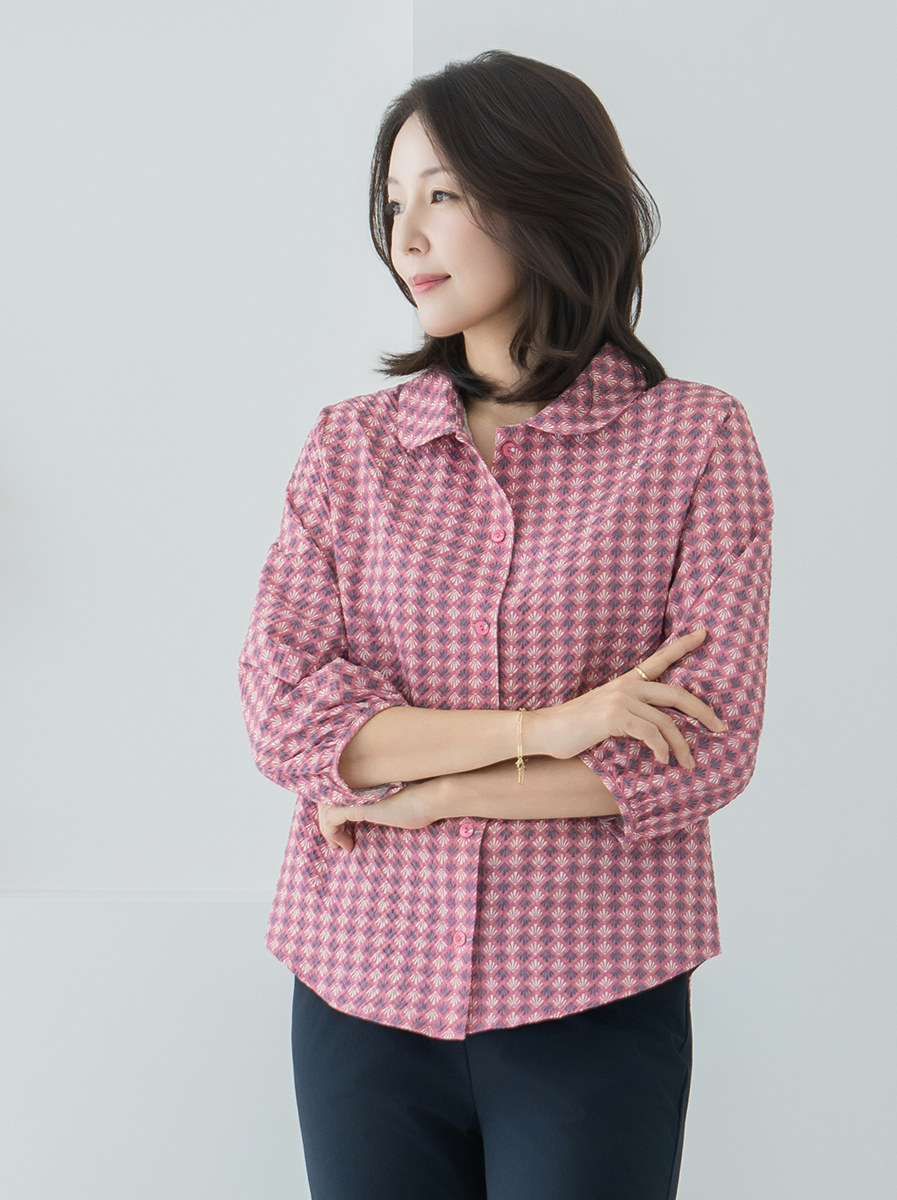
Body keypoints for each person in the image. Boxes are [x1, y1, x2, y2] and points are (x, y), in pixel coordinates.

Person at [239, 49, 772, 1200]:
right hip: (358, 986)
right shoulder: (348, 450)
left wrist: (424, 791)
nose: (405, 237)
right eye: (392, 203)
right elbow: (286, 719)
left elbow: (705, 744)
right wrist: (556, 727)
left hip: (592, 993)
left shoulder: (694, 442)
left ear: (542, 193)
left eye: (440, 194)